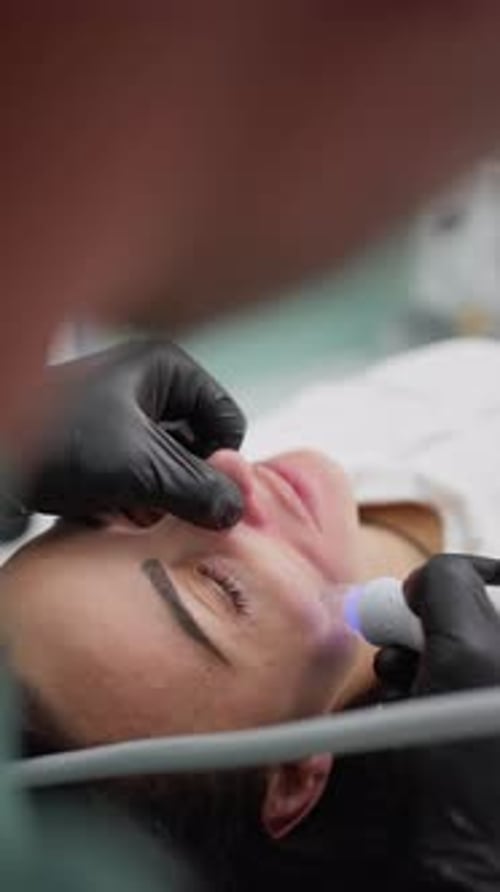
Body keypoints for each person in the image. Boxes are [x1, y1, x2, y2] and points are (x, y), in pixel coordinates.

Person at [2, 336, 500, 890]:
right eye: (221, 589)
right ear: (294, 774)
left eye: (118, 512)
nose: (228, 467)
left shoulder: (316, 455)